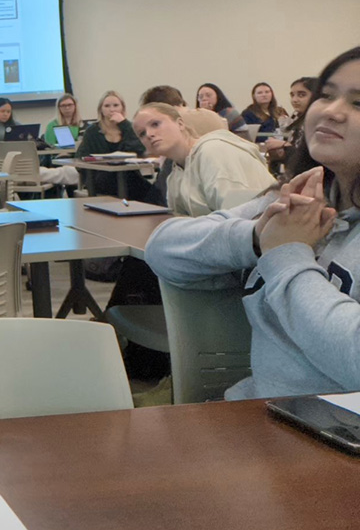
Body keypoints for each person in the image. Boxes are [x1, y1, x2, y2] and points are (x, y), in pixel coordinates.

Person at [146, 47, 360, 400]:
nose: (332, 111)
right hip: (260, 416)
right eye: (326, 95)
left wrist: (287, 255)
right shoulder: (297, 198)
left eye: (358, 103)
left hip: (334, 437)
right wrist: (258, 237)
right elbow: (162, 249)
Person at [133, 103, 275, 216]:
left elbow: (241, 221)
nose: (150, 134)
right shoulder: (176, 172)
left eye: (155, 124)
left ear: (180, 124)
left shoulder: (214, 151)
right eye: (142, 133)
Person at [75, 90, 150, 199]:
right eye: (107, 106)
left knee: (153, 192)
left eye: (116, 105)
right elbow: (80, 158)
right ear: (101, 109)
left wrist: (124, 124)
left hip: (130, 177)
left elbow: (141, 149)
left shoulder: (130, 127)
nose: (112, 109)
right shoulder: (92, 131)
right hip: (101, 178)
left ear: (122, 108)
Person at [264, 76, 320, 167]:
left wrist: (284, 145)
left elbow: (309, 158)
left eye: (301, 95)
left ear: (316, 96)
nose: (294, 100)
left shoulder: (319, 122)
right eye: (292, 95)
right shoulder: (298, 118)